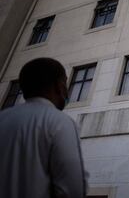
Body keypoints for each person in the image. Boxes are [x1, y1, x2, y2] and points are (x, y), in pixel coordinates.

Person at [0, 58, 88, 198]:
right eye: (65, 83)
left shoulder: (3, 118)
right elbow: (73, 189)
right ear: (59, 86)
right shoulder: (60, 122)